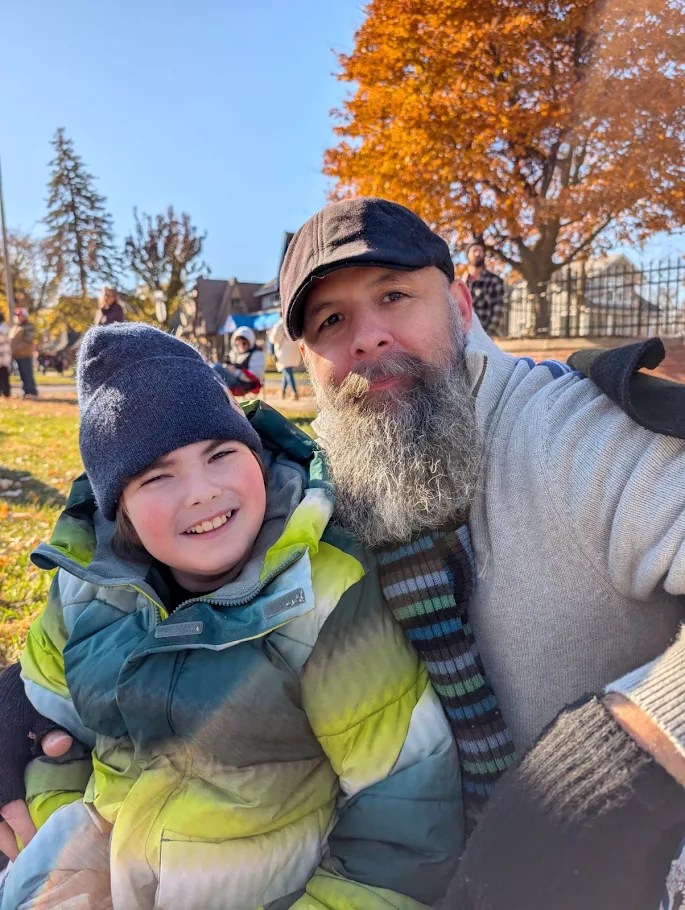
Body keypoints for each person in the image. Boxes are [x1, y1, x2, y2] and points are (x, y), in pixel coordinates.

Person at [275, 196, 685, 903]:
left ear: (461, 308)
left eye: (393, 296)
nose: (367, 337)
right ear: (308, 362)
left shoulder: (570, 431)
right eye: (330, 321)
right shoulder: (324, 485)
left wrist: (623, 756)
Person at [0, 323, 460, 910]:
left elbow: (404, 805)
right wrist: (60, 823)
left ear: (257, 458)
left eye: (220, 454)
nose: (201, 492)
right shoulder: (86, 593)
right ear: (121, 511)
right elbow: (47, 729)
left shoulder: (322, 596)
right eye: (157, 476)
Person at [462, 238, 504, 336]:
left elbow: (497, 312)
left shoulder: (494, 281)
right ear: (468, 255)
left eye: (480, 251)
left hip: (485, 336)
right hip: (463, 337)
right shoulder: (460, 283)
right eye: (474, 250)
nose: (478, 253)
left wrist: (487, 337)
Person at [212, 325, 265, 397]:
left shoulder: (257, 354)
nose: (241, 346)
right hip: (234, 382)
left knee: (216, 368)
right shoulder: (234, 353)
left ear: (250, 342)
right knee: (214, 368)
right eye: (238, 343)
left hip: (244, 385)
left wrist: (235, 371)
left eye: (244, 343)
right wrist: (227, 367)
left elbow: (254, 376)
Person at [268, 316, 301, 399]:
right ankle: (282, 392)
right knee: (286, 371)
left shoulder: (279, 324)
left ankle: (294, 392)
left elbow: (274, 338)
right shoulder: (292, 320)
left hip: (283, 351)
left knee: (287, 371)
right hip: (293, 349)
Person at [9, 307, 37, 399]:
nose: (18, 317)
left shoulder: (29, 326)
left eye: (20, 315)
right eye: (17, 315)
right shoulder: (16, 327)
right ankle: (26, 392)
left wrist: (16, 348)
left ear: (25, 316)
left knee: (27, 374)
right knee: (21, 374)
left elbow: (28, 340)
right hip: (17, 355)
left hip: (25, 354)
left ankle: (31, 392)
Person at [0, 311, 11, 398]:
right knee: (3, 375)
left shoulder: (3, 328)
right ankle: (5, 392)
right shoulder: (4, 327)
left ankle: (6, 393)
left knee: (3, 375)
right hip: (4, 355)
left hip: (3, 355)